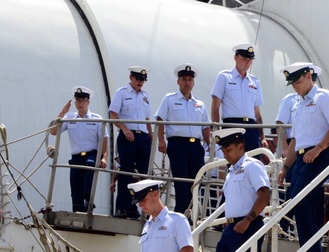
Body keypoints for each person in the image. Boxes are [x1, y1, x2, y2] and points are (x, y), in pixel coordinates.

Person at [276, 63, 329, 252]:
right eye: (292, 84)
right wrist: (286, 166)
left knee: (299, 200)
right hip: (301, 159)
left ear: (308, 76)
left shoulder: (324, 97)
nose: (295, 86)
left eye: (297, 81)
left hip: (318, 155)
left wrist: (321, 147)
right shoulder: (297, 104)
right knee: (301, 205)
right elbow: (296, 139)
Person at [156, 64, 211, 215]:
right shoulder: (169, 99)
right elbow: (160, 120)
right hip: (177, 144)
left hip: (196, 147)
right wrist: (161, 141)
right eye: (184, 79)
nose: (187, 82)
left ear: (193, 82)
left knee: (196, 180)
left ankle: (193, 211)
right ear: (178, 82)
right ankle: (182, 211)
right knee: (181, 179)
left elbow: (205, 127)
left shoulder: (200, 104)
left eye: (190, 79)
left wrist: (211, 144)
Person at [50, 86, 108, 213]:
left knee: (90, 165)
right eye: (78, 100)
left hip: (91, 154)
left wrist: (104, 157)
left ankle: (88, 198)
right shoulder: (69, 118)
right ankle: (78, 213)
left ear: (88, 102)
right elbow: (53, 132)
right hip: (76, 157)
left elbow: (104, 139)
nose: (80, 103)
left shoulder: (96, 118)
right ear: (75, 102)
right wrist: (62, 113)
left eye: (83, 100)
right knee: (76, 188)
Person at [109, 67, 152, 219]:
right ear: (131, 78)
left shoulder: (145, 96)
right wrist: (125, 129)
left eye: (142, 80)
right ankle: (123, 208)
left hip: (142, 138)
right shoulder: (122, 93)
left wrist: (151, 137)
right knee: (126, 172)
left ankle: (144, 209)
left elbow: (147, 120)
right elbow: (113, 114)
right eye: (138, 79)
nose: (140, 82)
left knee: (145, 174)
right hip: (128, 137)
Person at [211, 44, 266, 151]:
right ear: (235, 57)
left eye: (250, 60)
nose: (247, 63)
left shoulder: (255, 81)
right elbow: (215, 107)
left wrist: (262, 136)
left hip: (251, 127)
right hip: (231, 125)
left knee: (254, 161)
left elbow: (257, 113)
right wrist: (216, 132)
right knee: (233, 162)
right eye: (244, 59)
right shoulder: (224, 77)